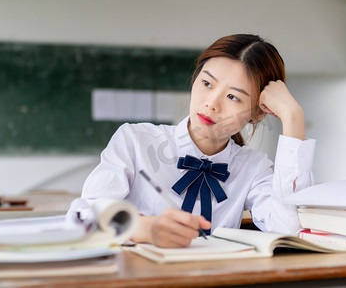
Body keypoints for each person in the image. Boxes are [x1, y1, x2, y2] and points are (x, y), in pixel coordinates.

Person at [81, 34, 315, 248]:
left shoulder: (253, 168)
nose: (212, 102)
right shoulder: (136, 141)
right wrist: (143, 228)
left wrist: (293, 117)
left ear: (258, 112)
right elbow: (86, 212)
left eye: (233, 97)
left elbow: (288, 229)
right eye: (207, 84)